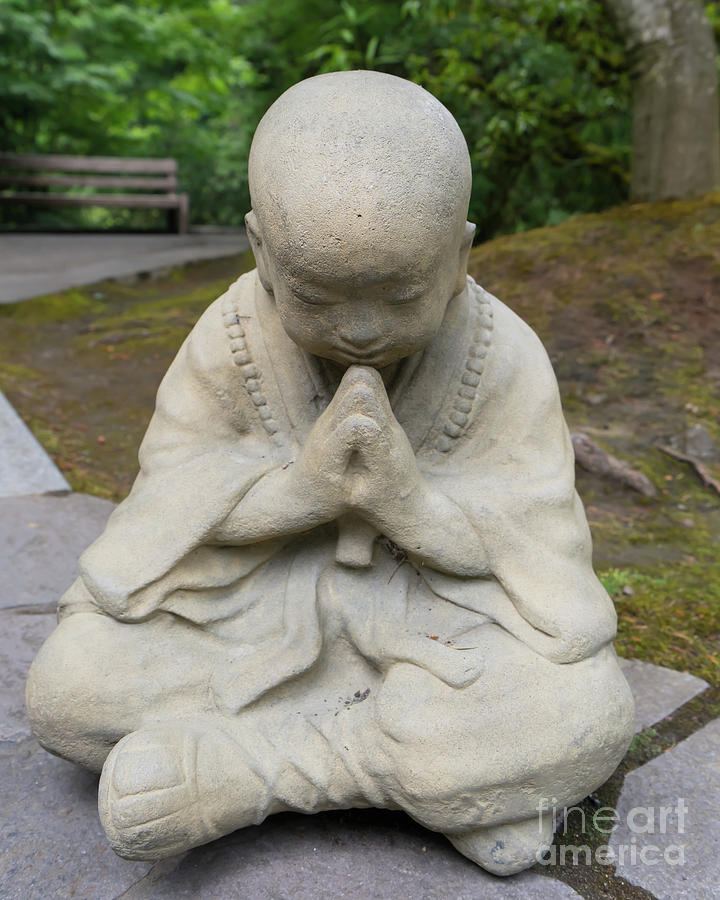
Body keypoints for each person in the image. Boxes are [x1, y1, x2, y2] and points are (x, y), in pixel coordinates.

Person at [26, 70, 634, 875]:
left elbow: (540, 544)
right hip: (254, 614)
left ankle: (250, 773)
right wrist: (301, 494)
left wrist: (408, 505)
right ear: (261, 253)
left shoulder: (504, 354)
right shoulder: (230, 337)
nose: (357, 330)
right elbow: (164, 506)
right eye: (316, 296)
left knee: (591, 706)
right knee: (69, 690)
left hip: (438, 625)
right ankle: (440, 785)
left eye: (400, 296)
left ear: (459, 256)